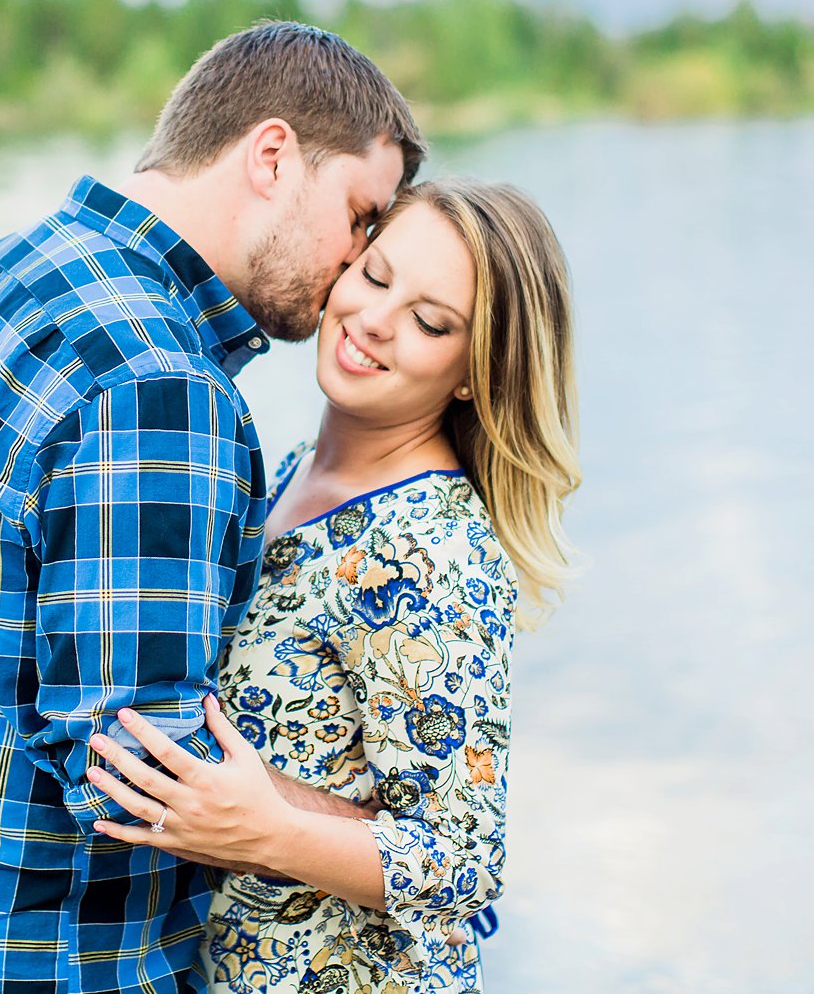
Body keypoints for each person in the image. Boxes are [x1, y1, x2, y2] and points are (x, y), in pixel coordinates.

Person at [0, 22, 426, 994]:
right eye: (357, 214)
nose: (354, 265)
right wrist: (390, 844)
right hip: (28, 966)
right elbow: (146, 778)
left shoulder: (2, 273)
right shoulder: (159, 388)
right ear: (270, 156)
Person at [87, 178, 581, 993]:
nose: (376, 322)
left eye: (430, 322)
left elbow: (462, 861)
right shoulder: (290, 477)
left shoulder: (428, 550)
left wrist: (264, 831)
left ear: (471, 371)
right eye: (376, 276)